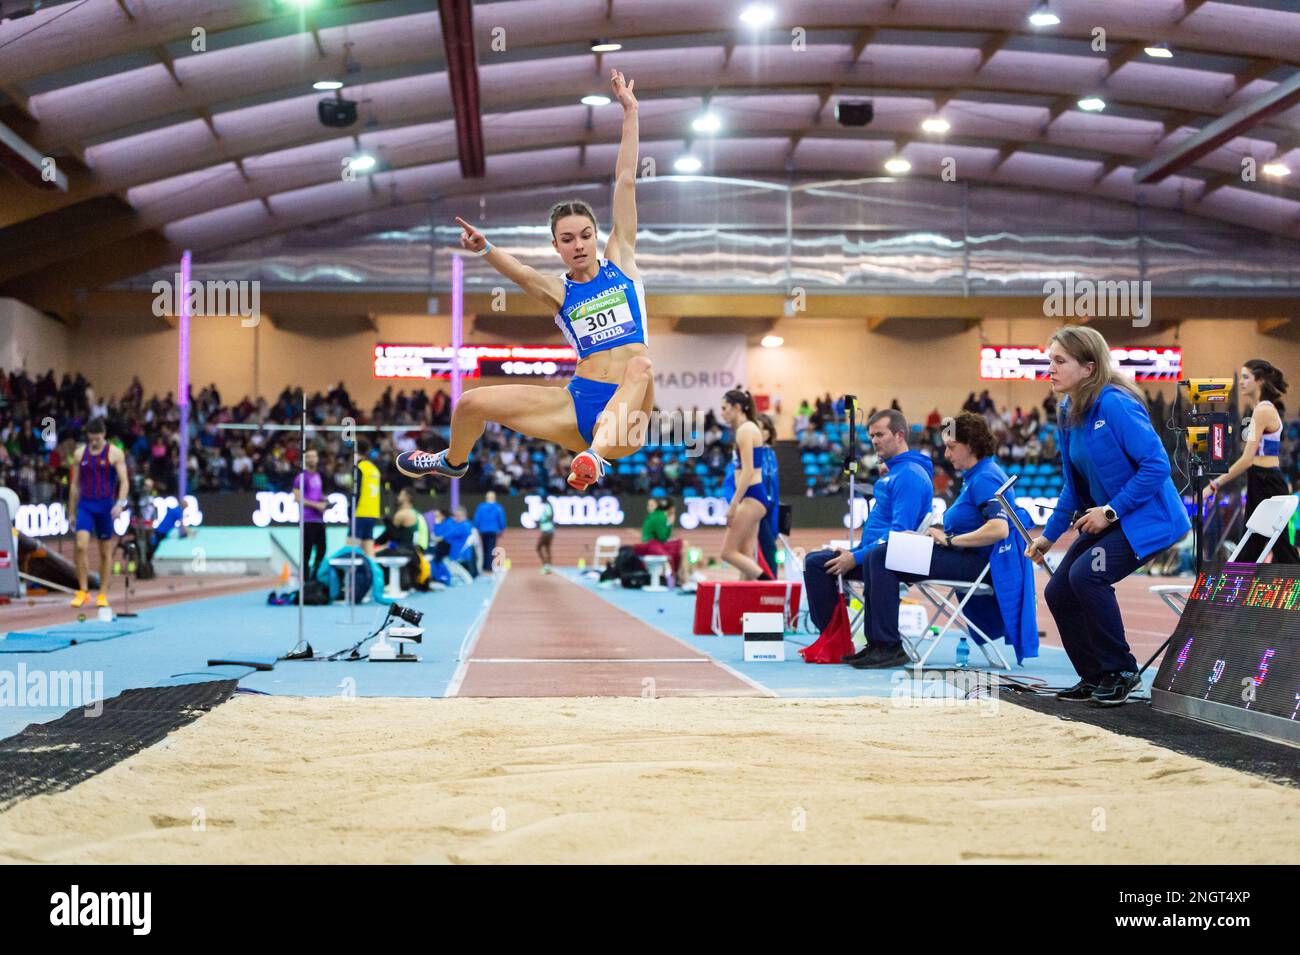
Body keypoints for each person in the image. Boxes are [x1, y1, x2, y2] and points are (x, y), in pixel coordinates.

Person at [395, 69, 651, 492]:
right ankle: (453, 461)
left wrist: (631, 112)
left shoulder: (620, 261)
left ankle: (594, 459)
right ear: (557, 247)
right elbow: (522, 273)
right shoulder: (559, 290)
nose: (580, 245)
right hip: (577, 404)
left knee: (641, 364)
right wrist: (484, 248)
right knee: (470, 402)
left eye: (586, 235)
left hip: (629, 415)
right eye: (568, 239)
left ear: (597, 235)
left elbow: (625, 181)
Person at [1027, 326, 1191, 707]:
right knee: (1059, 591)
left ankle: (1120, 670)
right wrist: (1049, 536)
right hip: (1109, 518)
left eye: (1059, 361)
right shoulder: (1067, 410)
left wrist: (1111, 510)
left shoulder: (1115, 403)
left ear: (1088, 367)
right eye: (1049, 359)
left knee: (1088, 575)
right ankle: (1095, 675)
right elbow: (1073, 483)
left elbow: (1156, 465)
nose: (1049, 368)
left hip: (1149, 519)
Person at [846, 413, 1025, 670]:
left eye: (952, 448)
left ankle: (888, 646)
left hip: (976, 564)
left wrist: (950, 540)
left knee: (883, 556)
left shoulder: (986, 476)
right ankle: (879, 644)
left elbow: (999, 529)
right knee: (882, 554)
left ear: (971, 444)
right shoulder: (975, 476)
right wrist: (927, 536)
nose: (948, 456)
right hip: (963, 556)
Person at [802, 409, 934, 660]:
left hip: (892, 558)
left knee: (829, 564)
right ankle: (834, 641)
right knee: (815, 562)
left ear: (899, 435)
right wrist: (854, 553)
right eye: (872, 435)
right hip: (874, 553)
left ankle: (880, 645)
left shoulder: (908, 476)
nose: (874, 441)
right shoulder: (894, 472)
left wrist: (856, 557)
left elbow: (899, 535)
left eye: (880, 434)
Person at [1206, 359, 1299, 563]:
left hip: (1267, 481)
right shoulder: (1262, 410)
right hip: (1260, 479)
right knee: (1253, 542)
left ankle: (1240, 589)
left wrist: (1214, 484)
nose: (1241, 382)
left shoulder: (1263, 411)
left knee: (1280, 546)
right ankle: (1239, 590)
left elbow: (1247, 459)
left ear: (1260, 380)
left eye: (1246, 377)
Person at [68, 417, 130, 608]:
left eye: (97, 439)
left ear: (103, 435)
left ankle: (102, 594)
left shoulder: (114, 453)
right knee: (80, 546)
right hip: (86, 506)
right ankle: (83, 591)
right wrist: (71, 512)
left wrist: (120, 504)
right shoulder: (80, 454)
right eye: (91, 439)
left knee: (105, 552)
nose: (94, 442)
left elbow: (124, 481)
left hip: (105, 507)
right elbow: (75, 485)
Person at [719, 389, 773, 580]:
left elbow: (748, 471)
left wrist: (734, 504)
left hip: (751, 495)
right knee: (746, 554)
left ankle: (768, 584)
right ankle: (749, 597)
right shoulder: (747, 429)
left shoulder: (745, 430)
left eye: (725, 408)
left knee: (727, 552)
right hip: (754, 495)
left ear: (737, 407)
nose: (722, 413)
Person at [293, 447, 328, 581]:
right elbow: (297, 498)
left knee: (322, 550)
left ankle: (315, 578)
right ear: (305, 459)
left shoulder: (319, 476)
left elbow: (316, 495)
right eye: (309, 456)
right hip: (307, 519)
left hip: (319, 520)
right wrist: (316, 505)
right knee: (306, 553)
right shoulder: (301, 477)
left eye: (314, 456)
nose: (312, 459)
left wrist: (323, 501)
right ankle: (305, 581)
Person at [352, 438, 382, 558]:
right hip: (372, 513)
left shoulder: (359, 468)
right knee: (369, 550)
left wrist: (351, 510)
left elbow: (356, 491)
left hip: (360, 512)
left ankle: (350, 576)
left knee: (351, 548)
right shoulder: (374, 469)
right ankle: (374, 575)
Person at [473, 490, 507, 571]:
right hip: (493, 531)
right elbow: (501, 519)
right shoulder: (498, 507)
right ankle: (489, 568)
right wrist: (502, 529)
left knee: (484, 549)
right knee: (491, 549)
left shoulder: (481, 507)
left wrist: (476, 527)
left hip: (483, 531)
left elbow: (477, 518)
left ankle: (484, 567)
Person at [537, 497, 555, 574]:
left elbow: (549, 516)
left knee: (538, 547)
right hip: (549, 530)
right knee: (547, 548)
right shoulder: (548, 506)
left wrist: (542, 520)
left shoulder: (547, 506)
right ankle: (548, 567)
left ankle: (546, 566)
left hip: (546, 531)